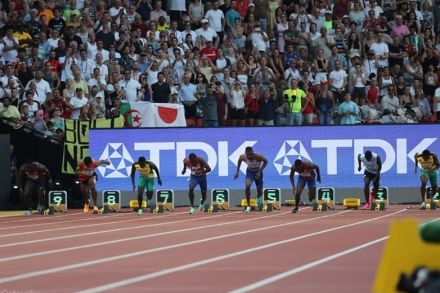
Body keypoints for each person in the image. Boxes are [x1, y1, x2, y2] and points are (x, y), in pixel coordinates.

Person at [234, 146, 268, 213]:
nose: (249, 156)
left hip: (258, 171)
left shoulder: (258, 156)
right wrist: (237, 171)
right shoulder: (243, 156)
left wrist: (260, 171)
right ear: (245, 153)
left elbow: (266, 161)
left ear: (252, 152)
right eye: (247, 154)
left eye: (250, 154)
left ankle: (258, 197)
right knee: (247, 186)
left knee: (260, 191)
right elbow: (239, 161)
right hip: (250, 172)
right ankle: (248, 205)